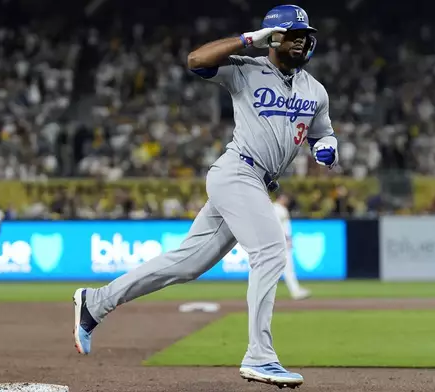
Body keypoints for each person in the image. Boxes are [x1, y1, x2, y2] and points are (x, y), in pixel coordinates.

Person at [72, 4, 338, 389]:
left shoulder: (315, 89)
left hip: (257, 182)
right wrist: (249, 40)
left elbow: (322, 132)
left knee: (186, 265)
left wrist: (326, 146)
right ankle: (260, 356)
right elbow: (195, 60)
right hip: (237, 171)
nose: (302, 42)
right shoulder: (247, 69)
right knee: (271, 251)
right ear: (274, 38)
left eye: (304, 35)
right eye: (294, 35)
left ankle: (95, 303)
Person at [274, 192, 311, 300]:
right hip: (281, 242)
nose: (287, 200)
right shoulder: (276, 208)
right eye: (285, 197)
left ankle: (295, 290)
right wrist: (285, 238)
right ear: (281, 197)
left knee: (286, 268)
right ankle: (295, 291)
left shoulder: (280, 208)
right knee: (287, 268)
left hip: (283, 241)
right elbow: (275, 225)